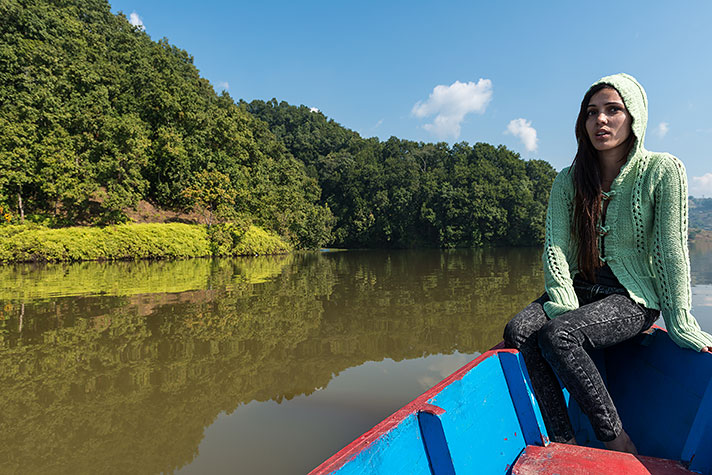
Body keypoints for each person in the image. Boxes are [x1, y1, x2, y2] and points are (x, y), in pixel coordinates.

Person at [503, 73, 712, 455]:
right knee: (518, 331)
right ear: (582, 124)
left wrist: (681, 320)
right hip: (581, 290)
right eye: (591, 112)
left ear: (634, 118)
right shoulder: (568, 179)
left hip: (631, 296)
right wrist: (562, 299)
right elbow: (557, 248)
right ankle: (563, 438)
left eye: (613, 110)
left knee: (560, 336)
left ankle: (618, 440)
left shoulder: (663, 170)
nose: (601, 120)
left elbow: (671, 251)